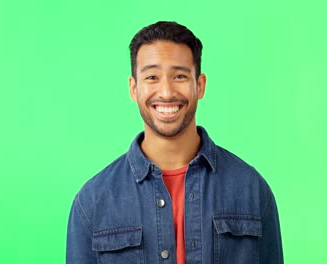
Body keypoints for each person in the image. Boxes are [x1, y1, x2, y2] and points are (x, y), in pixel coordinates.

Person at [66, 21, 283, 264]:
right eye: (152, 77)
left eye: (179, 76)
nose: (166, 92)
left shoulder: (251, 189)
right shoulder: (93, 200)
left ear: (199, 85)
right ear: (134, 88)